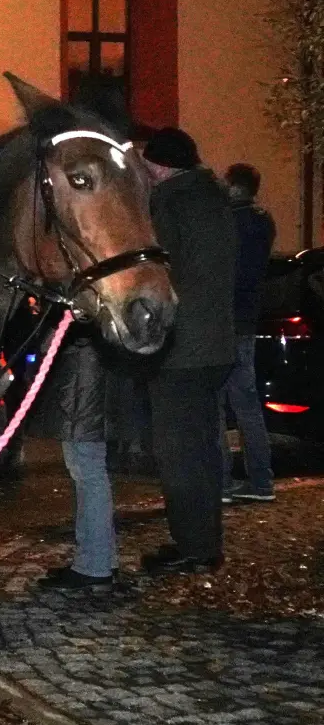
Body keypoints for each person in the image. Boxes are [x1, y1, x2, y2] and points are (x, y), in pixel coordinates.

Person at [140, 129, 238, 575]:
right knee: (202, 448)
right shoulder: (214, 200)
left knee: (178, 451)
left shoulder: (169, 204)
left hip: (183, 348)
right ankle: (205, 541)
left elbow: (153, 270)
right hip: (217, 343)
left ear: (159, 166)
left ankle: (194, 547)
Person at [30, 327, 119, 588]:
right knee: (90, 469)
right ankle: (102, 558)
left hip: (83, 383)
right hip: (87, 380)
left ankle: (95, 564)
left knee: (87, 470)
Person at [220, 164, 277, 504]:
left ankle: (223, 483)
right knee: (248, 405)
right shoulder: (263, 220)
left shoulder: (232, 221)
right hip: (247, 321)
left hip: (225, 320)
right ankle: (261, 481)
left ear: (235, 187)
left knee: (217, 405)